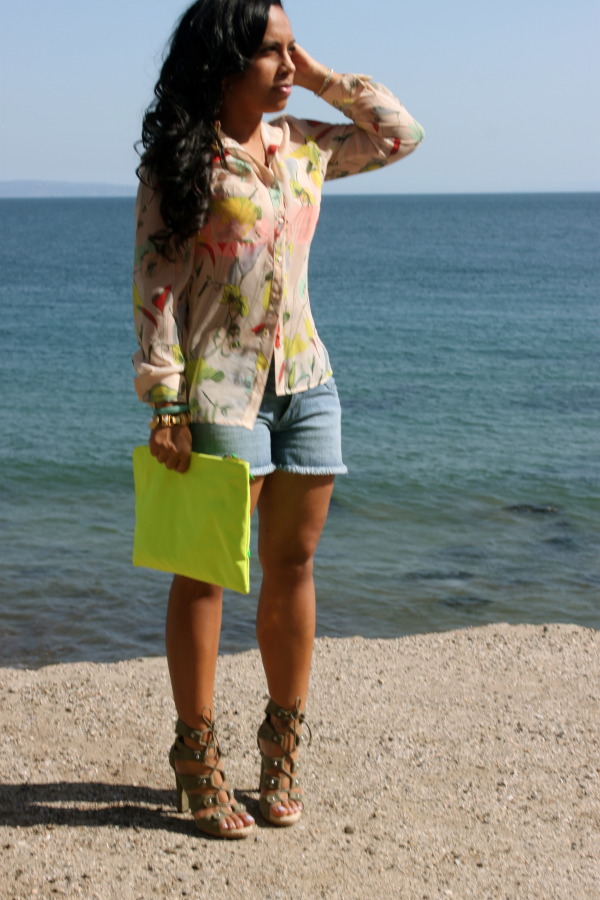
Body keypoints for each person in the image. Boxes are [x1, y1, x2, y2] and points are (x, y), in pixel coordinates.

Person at [133, 0, 424, 839]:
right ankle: (196, 754)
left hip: (307, 382)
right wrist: (167, 401)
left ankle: (280, 746)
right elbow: (155, 285)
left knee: (294, 564)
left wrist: (320, 74)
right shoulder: (183, 159)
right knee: (206, 572)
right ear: (224, 60)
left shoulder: (303, 144)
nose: (288, 65)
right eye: (271, 51)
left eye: (293, 49)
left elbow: (400, 134)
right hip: (220, 391)